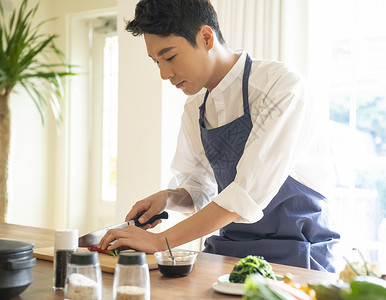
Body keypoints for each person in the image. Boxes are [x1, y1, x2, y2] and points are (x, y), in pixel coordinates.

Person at [98, 0, 340, 272]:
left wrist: (159, 242)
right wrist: (168, 197)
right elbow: (201, 188)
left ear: (205, 37)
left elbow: (244, 196)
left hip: (298, 254)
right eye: (157, 62)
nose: (164, 74)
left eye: (170, 57)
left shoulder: (279, 87)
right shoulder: (195, 107)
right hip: (231, 251)